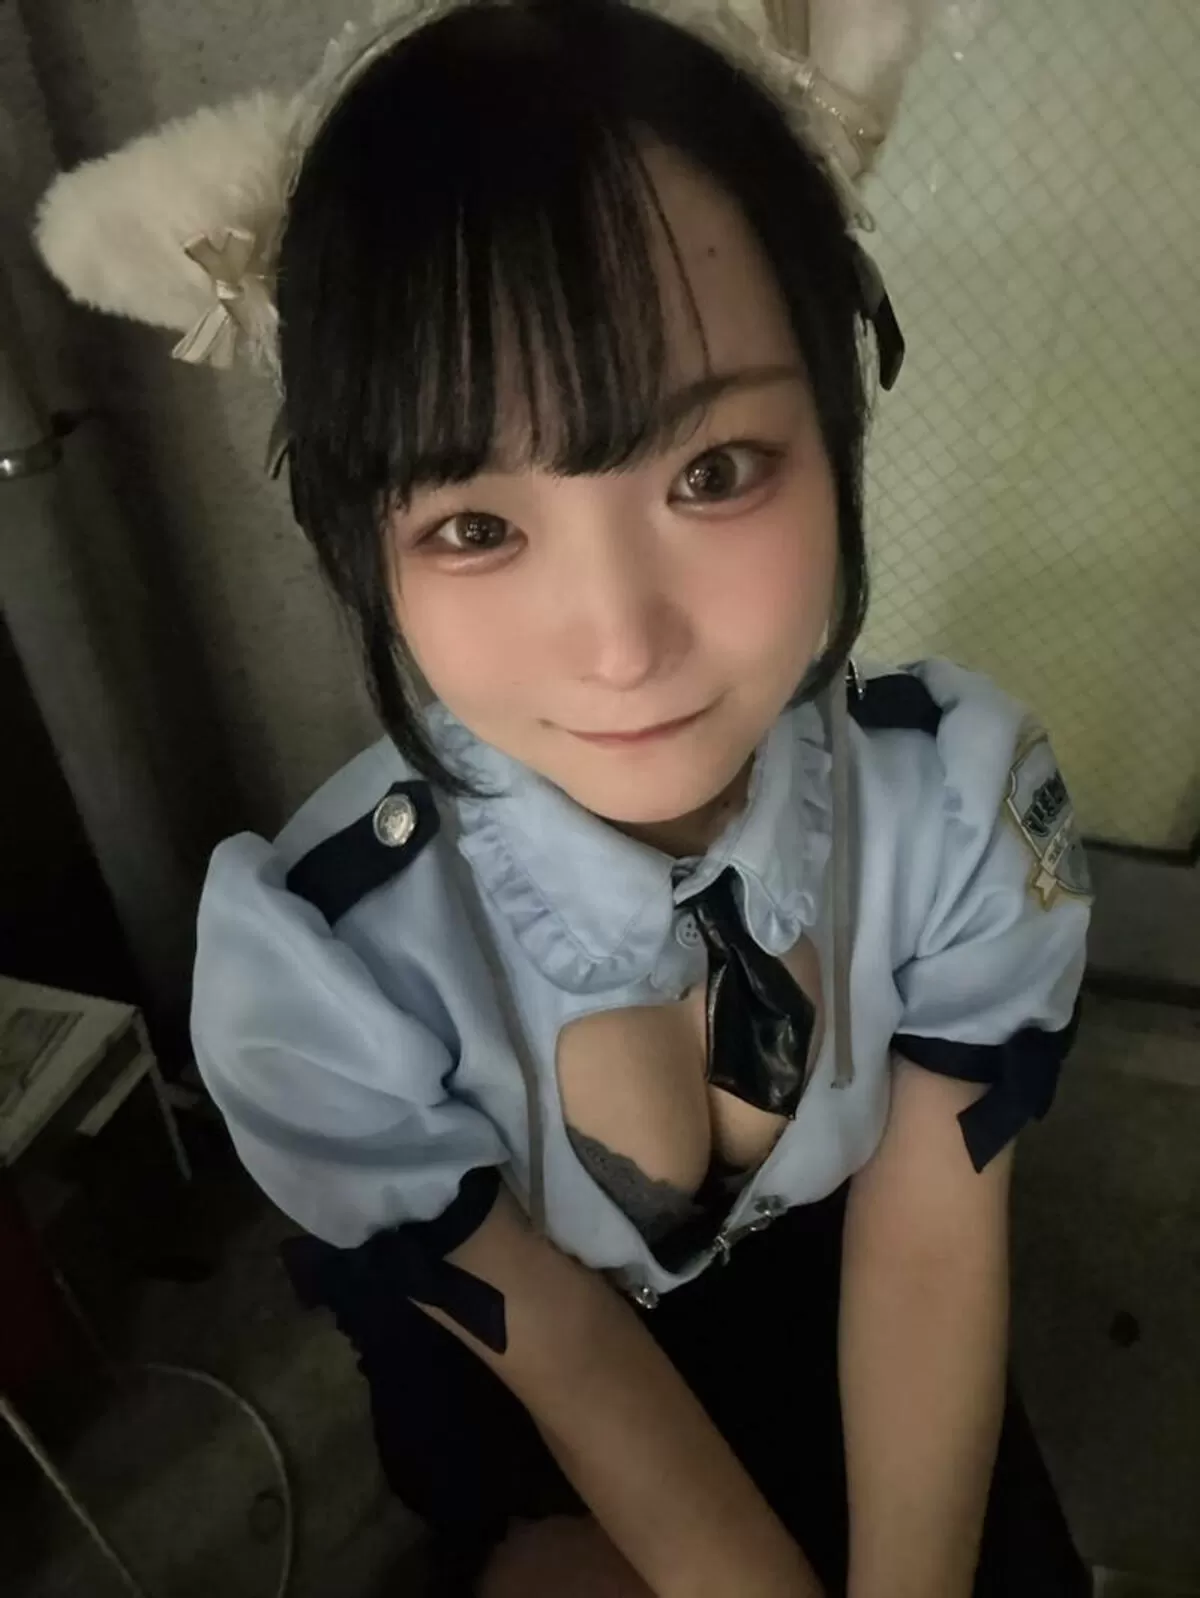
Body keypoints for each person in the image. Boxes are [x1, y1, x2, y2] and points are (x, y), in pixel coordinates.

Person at [34, 3, 1095, 1594]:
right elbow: (561, 1345)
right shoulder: (329, 965)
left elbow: (934, 1244)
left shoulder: (953, 812)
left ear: (839, 415)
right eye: (475, 524)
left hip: (868, 1300)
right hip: (525, 1404)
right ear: (360, 538)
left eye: (713, 469)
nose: (620, 643)